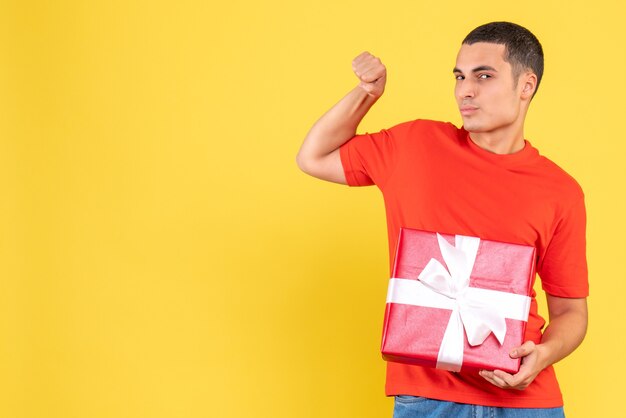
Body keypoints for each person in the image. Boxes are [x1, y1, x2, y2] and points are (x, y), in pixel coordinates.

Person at [296, 21, 588, 417]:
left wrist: (542, 356)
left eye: (483, 76)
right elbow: (312, 157)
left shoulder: (560, 190)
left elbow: (571, 312)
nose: (465, 90)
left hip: (526, 402)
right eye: (459, 77)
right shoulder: (415, 146)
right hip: (428, 399)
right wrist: (367, 94)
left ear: (526, 85)